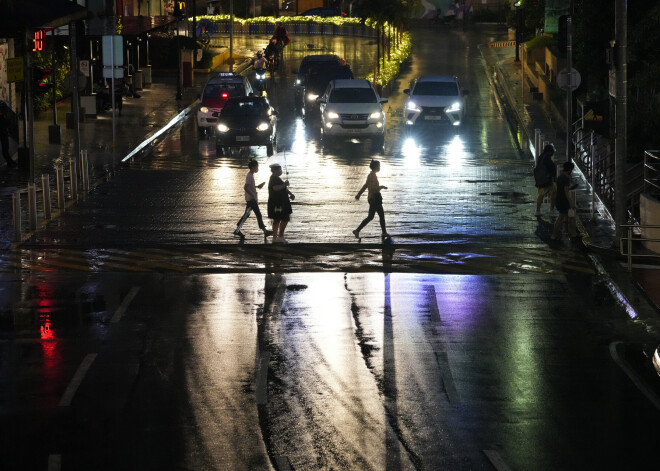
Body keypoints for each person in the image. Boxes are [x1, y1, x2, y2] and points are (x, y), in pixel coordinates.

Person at [234, 159, 273, 239]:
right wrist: (253, 195)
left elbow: (250, 187)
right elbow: (246, 187)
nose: (257, 168)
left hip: (252, 200)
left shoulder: (251, 175)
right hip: (251, 200)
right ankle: (265, 231)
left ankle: (238, 230)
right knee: (256, 215)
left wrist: (257, 186)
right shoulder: (249, 176)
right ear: (253, 167)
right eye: (256, 167)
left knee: (248, 215)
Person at [353, 159, 389, 240]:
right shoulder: (372, 176)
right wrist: (382, 187)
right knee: (381, 215)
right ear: (375, 167)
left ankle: (357, 230)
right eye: (379, 166)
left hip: (372, 198)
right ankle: (384, 232)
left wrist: (359, 194)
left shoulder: (371, 175)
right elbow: (374, 189)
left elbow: (365, 185)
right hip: (374, 199)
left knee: (371, 217)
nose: (380, 167)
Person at [551, 161, 578, 242]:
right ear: (569, 169)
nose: (571, 172)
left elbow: (561, 189)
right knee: (561, 218)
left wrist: (570, 188)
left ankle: (573, 234)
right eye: (571, 170)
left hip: (559, 199)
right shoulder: (566, 178)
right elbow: (566, 192)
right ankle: (554, 235)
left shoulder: (560, 177)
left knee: (570, 217)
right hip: (564, 201)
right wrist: (571, 203)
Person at [267, 163, 295, 243]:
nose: (281, 171)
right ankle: (279, 236)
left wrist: (290, 194)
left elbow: (284, 188)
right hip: (277, 203)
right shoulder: (273, 179)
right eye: (279, 169)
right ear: (275, 170)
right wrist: (284, 184)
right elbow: (276, 188)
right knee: (281, 219)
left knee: (279, 219)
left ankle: (277, 237)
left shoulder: (277, 178)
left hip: (281, 202)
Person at [535, 144, 557, 216]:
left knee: (541, 194)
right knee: (553, 192)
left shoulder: (541, 156)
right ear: (550, 151)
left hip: (540, 179)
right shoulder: (547, 158)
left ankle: (538, 211)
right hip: (547, 180)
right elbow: (551, 168)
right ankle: (551, 210)